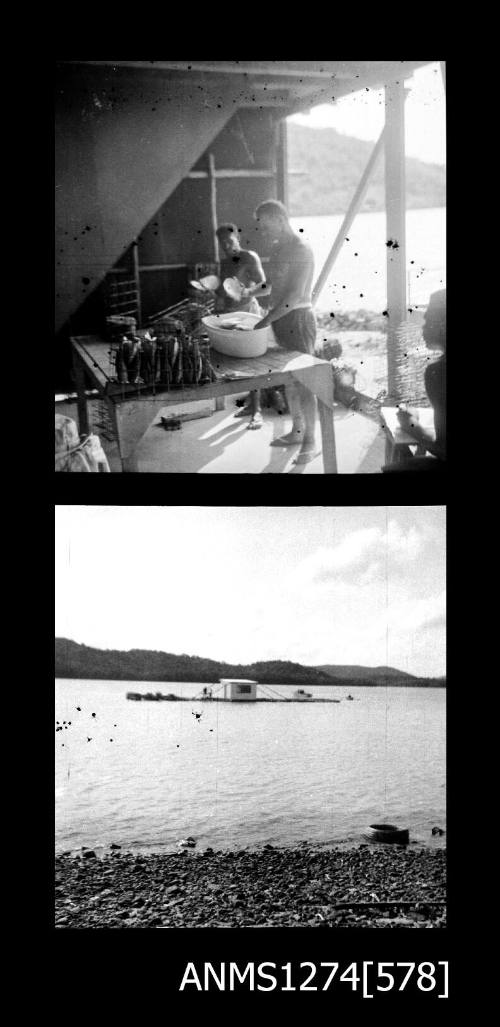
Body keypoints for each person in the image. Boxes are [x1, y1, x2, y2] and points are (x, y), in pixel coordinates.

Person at [253, 199, 318, 465]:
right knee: (290, 379)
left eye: (266, 227)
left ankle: (311, 442)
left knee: (306, 382)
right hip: (281, 320)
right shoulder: (279, 249)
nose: (264, 233)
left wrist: (265, 320)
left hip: (299, 320)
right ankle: (297, 431)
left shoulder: (302, 249)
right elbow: (271, 284)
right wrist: (250, 291)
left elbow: (293, 296)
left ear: (280, 219)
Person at [383, 289, 446, 472]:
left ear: (443, 324)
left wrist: (410, 424)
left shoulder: (438, 372)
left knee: (392, 469)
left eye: (428, 320)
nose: (423, 327)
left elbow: (443, 450)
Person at [214, 223, 268, 429]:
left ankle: (257, 411)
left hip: (248, 312)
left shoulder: (249, 257)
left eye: (230, 241)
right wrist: (214, 294)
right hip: (230, 314)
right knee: (236, 362)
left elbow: (263, 285)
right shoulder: (224, 262)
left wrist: (247, 292)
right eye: (222, 243)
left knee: (253, 362)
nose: (227, 246)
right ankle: (250, 405)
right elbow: (222, 290)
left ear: (238, 238)